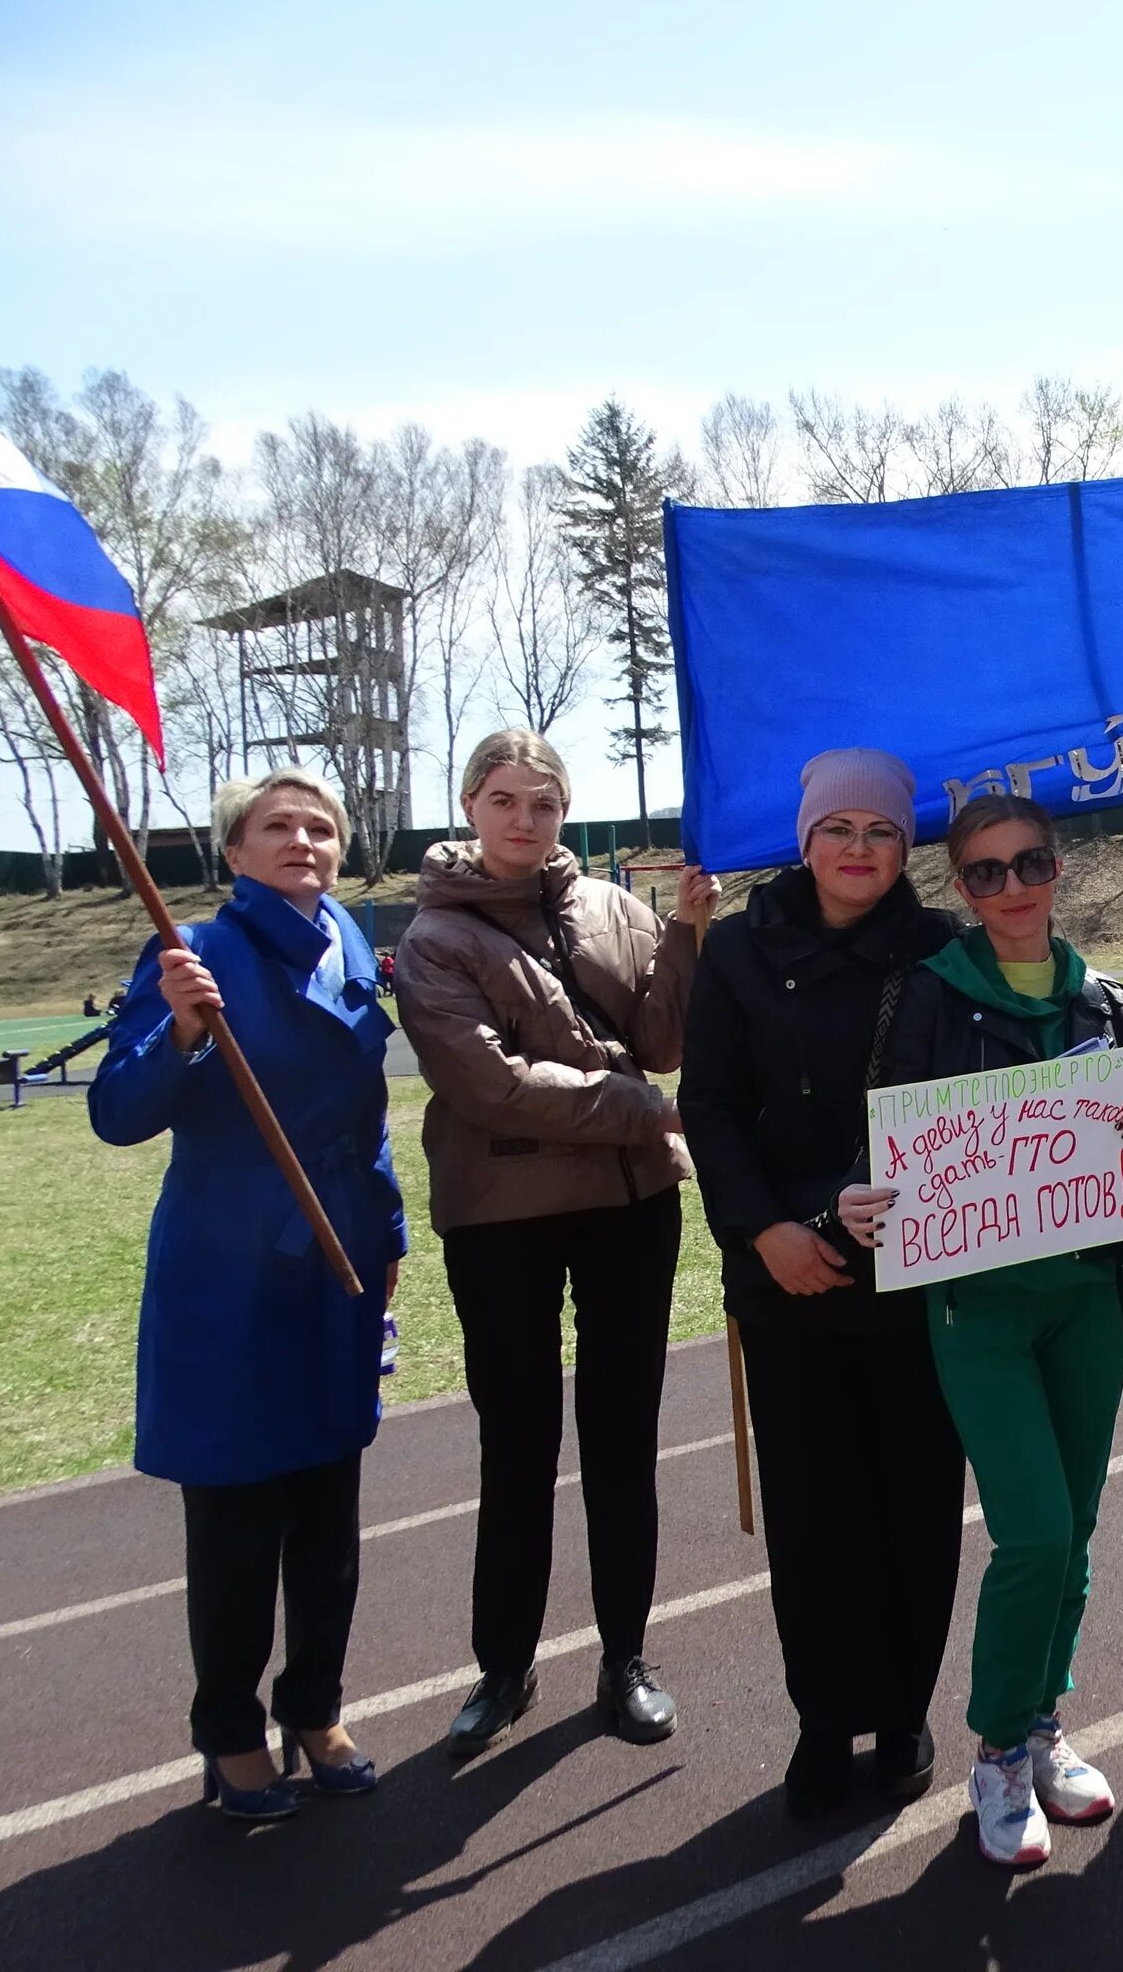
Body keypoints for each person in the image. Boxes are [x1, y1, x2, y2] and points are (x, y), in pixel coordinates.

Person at [841, 794, 1123, 1868]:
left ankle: (1044, 1725)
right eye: (985, 873)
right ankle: (994, 1749)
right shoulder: (929, 997)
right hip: (977, 1307)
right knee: (1031, 1529)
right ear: (961, 888)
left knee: (1074, 1528)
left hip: (1086, 1294)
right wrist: (858, 1199)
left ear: (1059, 863)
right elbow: (890, 1151)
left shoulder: (1109, 1003)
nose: (1013, 886)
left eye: (1029, 861)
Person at [89, 768, 405, 1821]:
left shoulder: (353, 940)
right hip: (229, 1277)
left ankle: (315, 1705)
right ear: (235, 850)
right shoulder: (194, 950)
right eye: (277, 826)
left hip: (335, 1267)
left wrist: (390, 1240)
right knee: (235, 1521)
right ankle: (229, 1729)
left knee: (329, 1515)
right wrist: (177, 1031)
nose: (302, 840)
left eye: (320, 826)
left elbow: (365, 1119)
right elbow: (118, 1110)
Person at [392, 728, 713, 1758]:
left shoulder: (612, 907)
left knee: (624, 1438)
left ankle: (627, 1656)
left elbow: (667, 1042)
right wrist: (638, 1107)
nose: (524, 820)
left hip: (629, 1208)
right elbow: (487, 1085)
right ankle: (503, 1666)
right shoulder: (437, 937)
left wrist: (688, 937)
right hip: (503, 1217)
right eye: (502, 799)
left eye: (544, 803)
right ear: (469, 806)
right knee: (518, 1442)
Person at [677, 748, 966, 1818]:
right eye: (838, 828)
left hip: (918, 1274)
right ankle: (821, 1716)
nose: (859, 848)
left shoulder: (941, 947)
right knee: (813, 1514)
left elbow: (993, 1084)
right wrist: (765, 1231)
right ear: (804, 841)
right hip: (788, 1279)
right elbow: (707, 1101)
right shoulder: (743, 945)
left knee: (917, 1500)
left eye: (882, 831)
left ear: (906, 846)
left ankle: (904, 1711)